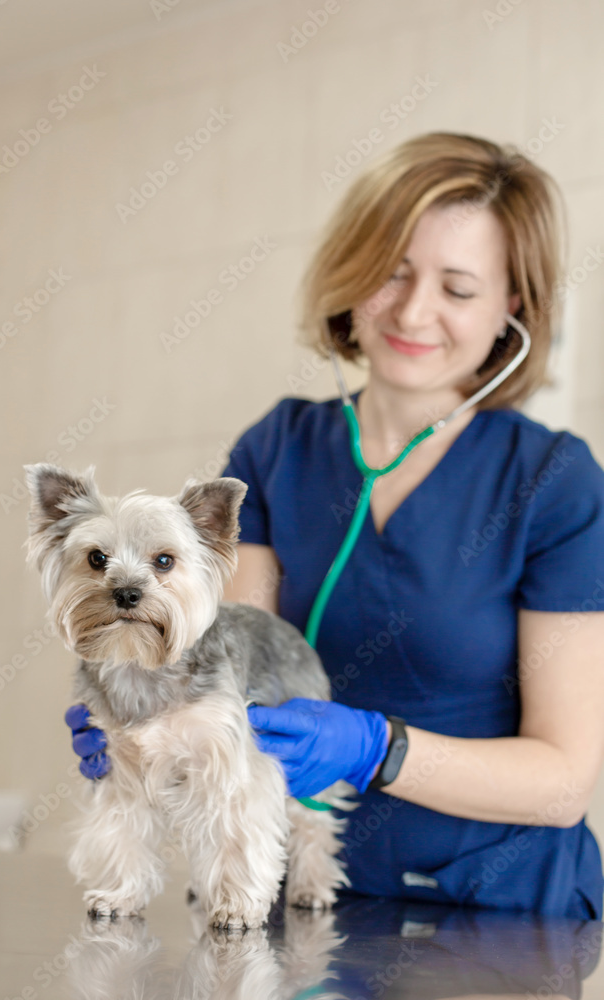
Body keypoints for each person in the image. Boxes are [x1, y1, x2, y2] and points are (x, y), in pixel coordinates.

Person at [68, 132, 604, 919]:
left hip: (491, 910)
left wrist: (372, 747)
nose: (413, 310)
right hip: (291, 897)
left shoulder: (553, 482)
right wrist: (132, 696)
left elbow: (562, 783)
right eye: (391, 271)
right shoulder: (278, 447)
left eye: (458, 289)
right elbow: (229, 662)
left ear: (510, 308)